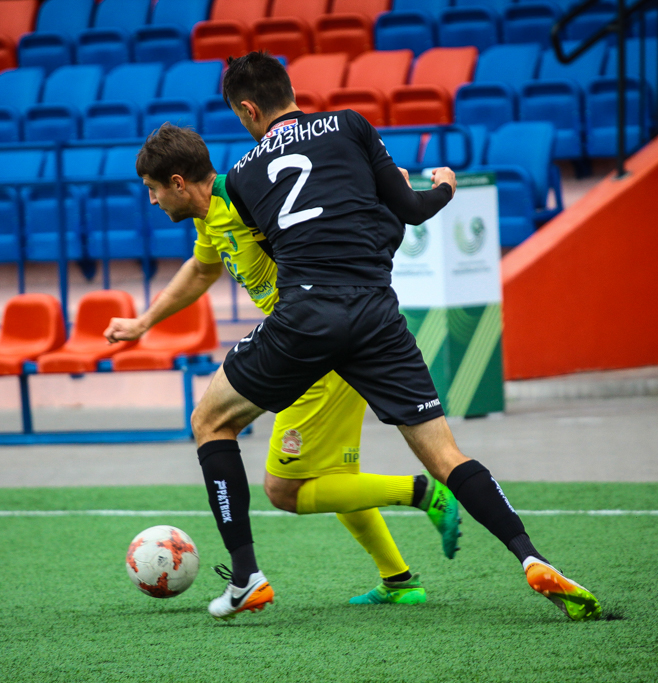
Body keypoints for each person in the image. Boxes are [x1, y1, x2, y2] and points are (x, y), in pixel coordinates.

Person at [183, 51, 602, 623]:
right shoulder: (350, 124)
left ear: (248, 109)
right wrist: (444, 188)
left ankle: (246, 576)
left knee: (210, 421)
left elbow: (279, 249)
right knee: (446, 455)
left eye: (240, 115)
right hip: (376, 314)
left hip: (305, 316)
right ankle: (531, 557)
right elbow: (408, 209)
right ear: (290, 89)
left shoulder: (241, 176)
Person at [107, 124, 463, 612]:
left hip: (312, 348)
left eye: (152, 188)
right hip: (313, 345)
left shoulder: (247, 199)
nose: (150, 200)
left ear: (177, 182)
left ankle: (424, 493)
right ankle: (399, 580)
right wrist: (144, 322)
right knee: (337, 475)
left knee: (284, 489)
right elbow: (203, 269)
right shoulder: (209, 216)